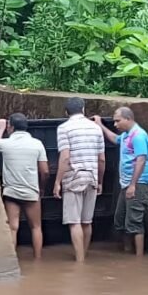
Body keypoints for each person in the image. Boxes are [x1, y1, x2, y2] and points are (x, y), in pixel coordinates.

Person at [91, 107, 148, 256]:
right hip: (127, 184)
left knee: (134, 222)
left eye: (118, 121)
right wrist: (100, 125)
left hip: (139, 183)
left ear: (128, 119)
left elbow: (141, 160)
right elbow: (114, 139)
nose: (116, 124)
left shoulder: (138, 136)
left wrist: (133, 185)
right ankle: (127, 251)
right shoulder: (126, 135)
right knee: (120, 220)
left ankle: (138, 259)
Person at [54, 97, 105, 263]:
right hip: (92, 177)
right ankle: (84, 254)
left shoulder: (64, 128)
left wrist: (57, 182)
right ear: (83, 109)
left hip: (73, 178)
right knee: (87, 221)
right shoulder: (96, 129)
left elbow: (65, 157)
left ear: (66, 112)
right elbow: (102, 159)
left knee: (74, 222)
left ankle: (80, 261)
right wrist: (100, 182)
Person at [0, 113, 49, 259]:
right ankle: (38, 261)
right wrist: (41, 188)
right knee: (36, 227)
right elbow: (45, 171)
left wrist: (1, 129)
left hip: (11, 192)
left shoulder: (5, 144)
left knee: (12, 227)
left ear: (11, 127)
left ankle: (12, 261)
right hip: (31, 191)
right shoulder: (37, 144)